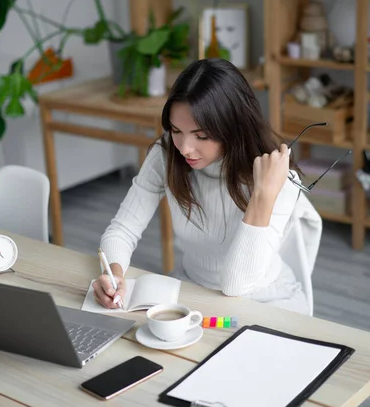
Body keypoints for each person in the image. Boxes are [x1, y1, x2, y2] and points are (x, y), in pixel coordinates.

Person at [93, 58, 322, 315]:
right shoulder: (167, 153)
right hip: (192, 290)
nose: (185, 148)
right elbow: (123, 228)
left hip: (267, 301)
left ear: (233, 127)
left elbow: (235, 285)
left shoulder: (275, 176)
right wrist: (113, 274)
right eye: (176, 130)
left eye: (201, 136)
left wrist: (263, 195)